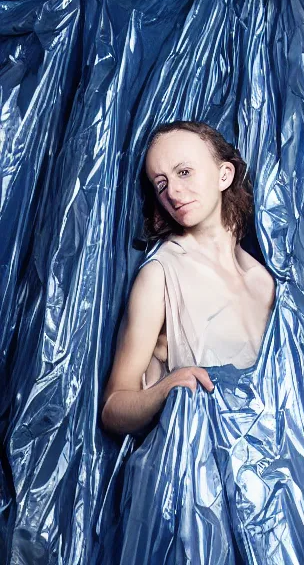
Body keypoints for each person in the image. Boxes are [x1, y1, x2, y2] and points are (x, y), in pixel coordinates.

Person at [101, 120, 276, 436]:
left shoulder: (263, 281)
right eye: (162, 183)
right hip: (196, 471)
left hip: (271, 471)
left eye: (184, 172)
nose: (175, 191)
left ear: (224, 175)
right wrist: (166, 388)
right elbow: (113, 409)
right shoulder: (160, 276)